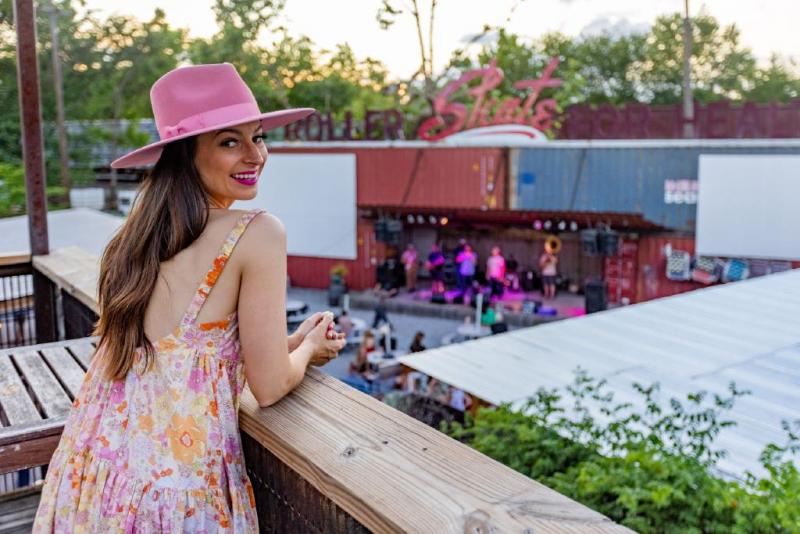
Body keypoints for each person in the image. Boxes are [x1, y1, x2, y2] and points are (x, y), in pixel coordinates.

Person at [33, 63, 347, 532]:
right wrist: (309, 350)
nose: (254, 155)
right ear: (186, 155)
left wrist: (285, 342)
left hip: (94, 477)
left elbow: (187, 363)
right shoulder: (256, 233)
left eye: (257, 137)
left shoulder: (133, 243)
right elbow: (269, 387)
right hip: (175, 495)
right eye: (229, 141)